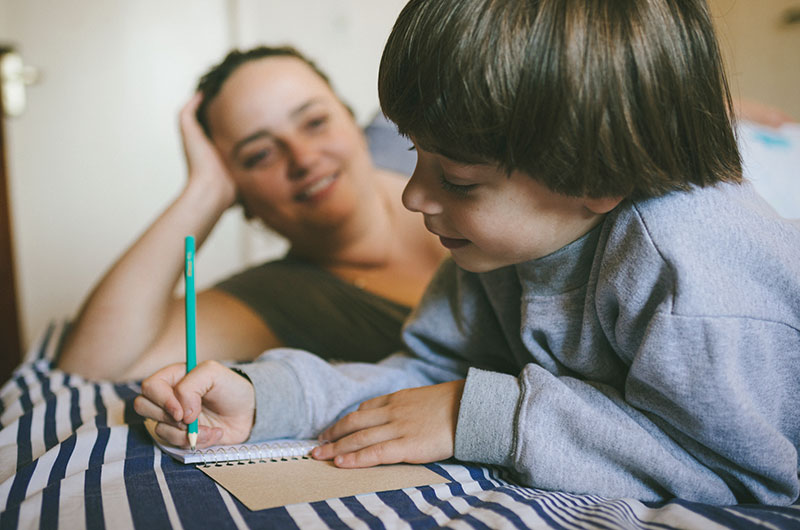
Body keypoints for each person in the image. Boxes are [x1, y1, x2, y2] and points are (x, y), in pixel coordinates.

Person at [134, 0, 800, 505]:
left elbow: (739, 471)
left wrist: (483, 414)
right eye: (414, 154)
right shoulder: (494, 252)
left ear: (595, 177)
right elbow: (426, 374)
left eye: (455, 179)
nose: (413, 196)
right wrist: (266, 400)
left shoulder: (695, 271)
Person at [57, 46, 445, 381]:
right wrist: (203, 193)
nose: (304, 158)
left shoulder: (454, 162)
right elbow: (93, 363)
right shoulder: (278, 297)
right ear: (238, 195)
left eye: (315, 122)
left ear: (352, 120)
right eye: (260, 154)